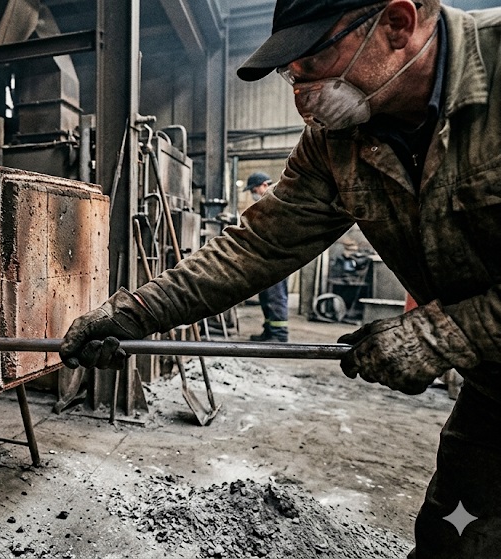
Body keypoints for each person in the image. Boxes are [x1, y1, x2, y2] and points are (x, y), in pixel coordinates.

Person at [60, 1, 501, 557]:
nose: (301, 94)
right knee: (453, 540)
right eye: (289, 76)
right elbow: (257, 246)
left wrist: (445, 335)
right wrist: (133, 313)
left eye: (313, 62)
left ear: (397, 24)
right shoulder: (336, 143)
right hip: (493, 392)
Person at [243, 172, 290, 342]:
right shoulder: (268, 202)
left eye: (254, 190)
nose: (253, 194)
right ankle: (270, 331)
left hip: (277, 257)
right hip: (267, 256)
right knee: (266, 296)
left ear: (264, 185)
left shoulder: (278, 199)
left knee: (275, 296)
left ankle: (279, 335)